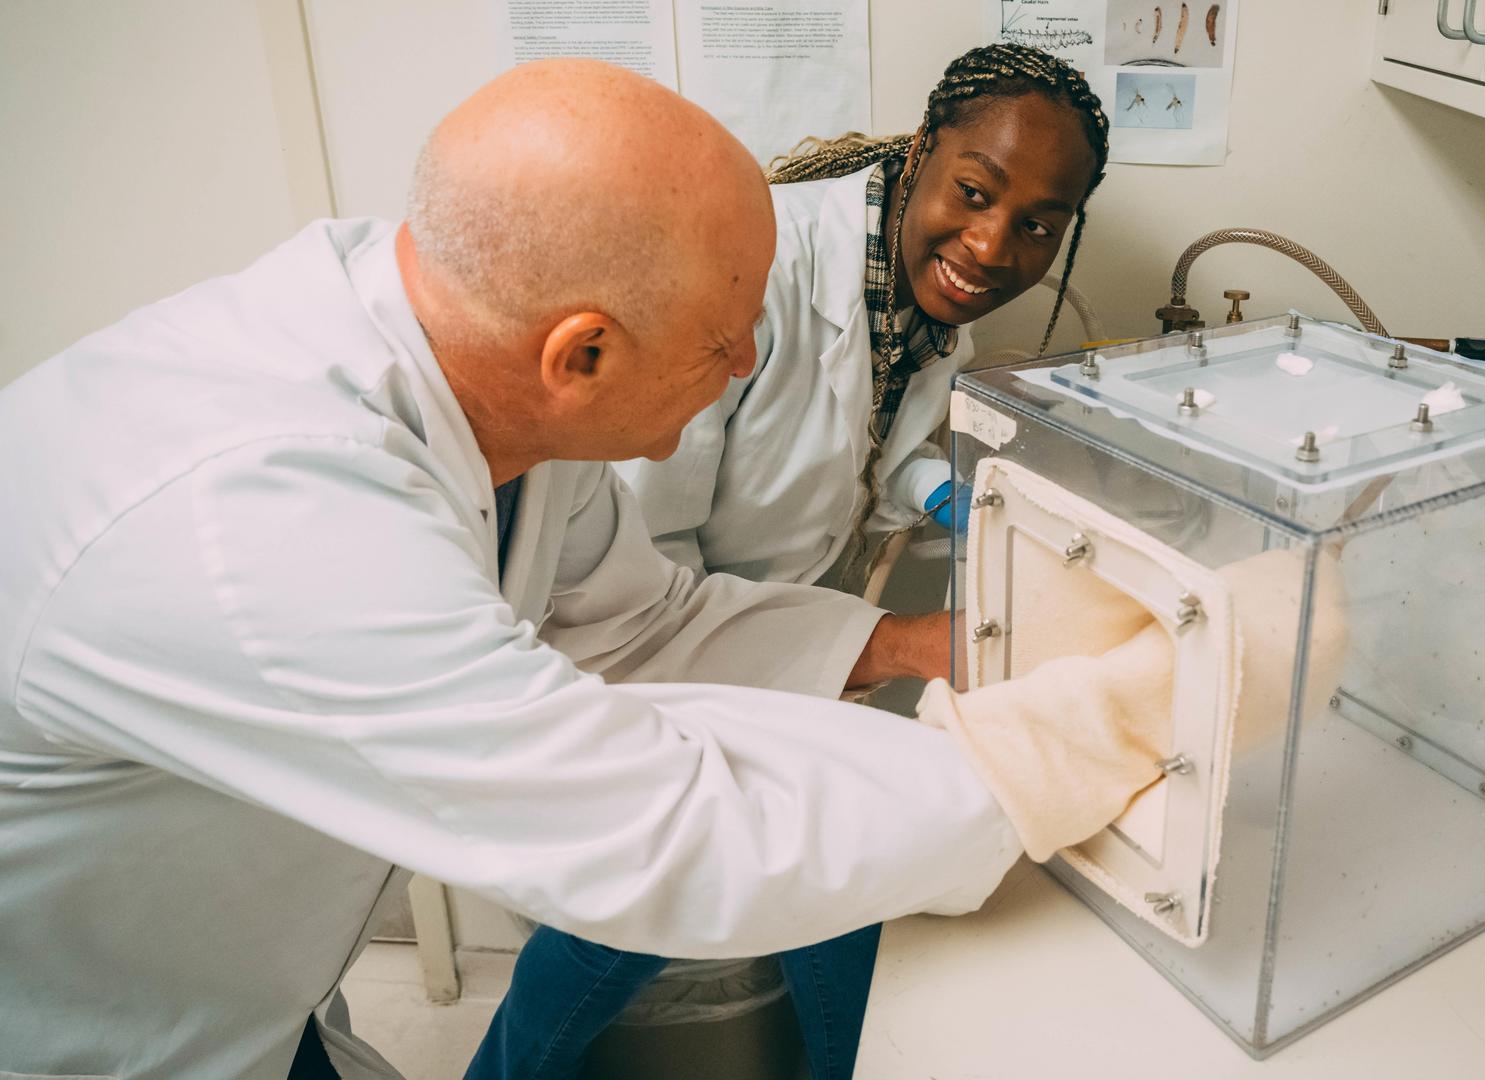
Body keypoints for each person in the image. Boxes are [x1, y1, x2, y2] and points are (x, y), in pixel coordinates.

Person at [0, 60, 1162, 1080]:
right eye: (726, 342)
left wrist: (907, 644)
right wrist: (1075, 745)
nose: (749, 365)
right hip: (82, 1037)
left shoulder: (475, 374)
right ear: (584, 353)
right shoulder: (266, 520)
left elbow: (638, 624)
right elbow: (653, 833)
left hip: (237, 984)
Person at [468, 44, 1111, 1080]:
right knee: (629, 913)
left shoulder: (929, 309)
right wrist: (809, 672)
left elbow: (873, 446)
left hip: (774, 634)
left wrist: (935, 489)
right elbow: (647, 542)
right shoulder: (758, 273)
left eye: (1038, 225)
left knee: (839, 881)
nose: (992, 244)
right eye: (974, 191)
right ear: (923, 149)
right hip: (663, 645)